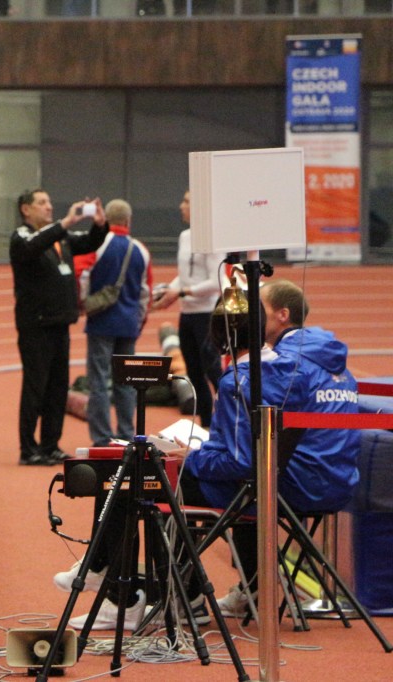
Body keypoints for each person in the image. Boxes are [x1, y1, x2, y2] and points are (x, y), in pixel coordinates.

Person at [180, 278, 361, 616]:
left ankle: (182, 597)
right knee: (247, 473)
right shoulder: (333, 362)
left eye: (257, 309)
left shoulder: (282, 365)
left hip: (293, 485)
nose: (249, 316)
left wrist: (196, 457)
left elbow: (244, 456)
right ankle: (253, 589)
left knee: (176, 480)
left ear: (282, 315)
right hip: (340, 481)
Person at [10, 190, 108, 466]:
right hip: (36, 326)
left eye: (50, 202)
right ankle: (28, 449)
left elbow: (89, 242)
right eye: (42, 203)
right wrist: (64, 223)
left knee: (58, 388)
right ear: (26, 209)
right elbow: (33, 246)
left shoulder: (60, 238)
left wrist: (100, 225)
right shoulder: (21, 237)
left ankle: (51, 445)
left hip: (60, 323)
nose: (49, 207)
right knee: (36, 388)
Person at [79, 198, 152, 447]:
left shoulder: (98, 245)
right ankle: (126, 435)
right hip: (128, 323)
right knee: (126, 382)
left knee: (99, 381)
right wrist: (138, 322)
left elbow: (82, 275)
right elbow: (145, 291)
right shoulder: (141, 250)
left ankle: (101, 437)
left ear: (107, 220)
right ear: (128, 221)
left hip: (101, 321)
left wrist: (84, 304)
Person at [151, 190, 224, 427]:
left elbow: (216, 282)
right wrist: (166, 293)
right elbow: (184, 277)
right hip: (188, 315)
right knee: (193, 373)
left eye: (187, 202)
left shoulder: (211, 240)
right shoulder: (184, 237)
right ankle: (205, 423)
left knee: (213, 371)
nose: (181, 206)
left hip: (206, 314)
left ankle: (229, 421)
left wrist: (182, 292)